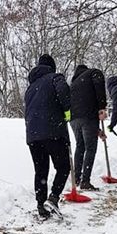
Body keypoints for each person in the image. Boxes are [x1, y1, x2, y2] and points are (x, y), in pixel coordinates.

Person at [24, 54, 72, 219]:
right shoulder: (55, 77)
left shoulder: (30, 88)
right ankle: (53, 197)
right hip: (53, 131)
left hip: (33, 135)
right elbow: (64, 91)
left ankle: (41, 207)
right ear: (52, 67)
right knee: (63, 166)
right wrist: (67, 111)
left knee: (41, 171)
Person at [68, 64, 108, 190]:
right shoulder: (94, 73)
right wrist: (102, 107)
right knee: (90, 148)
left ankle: (77, 178)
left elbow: (81, 110)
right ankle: (85, 181)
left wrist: (98, 131)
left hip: (73, 119)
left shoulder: (73, 85)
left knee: (80, 146)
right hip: (89, 117)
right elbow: (99, 87)